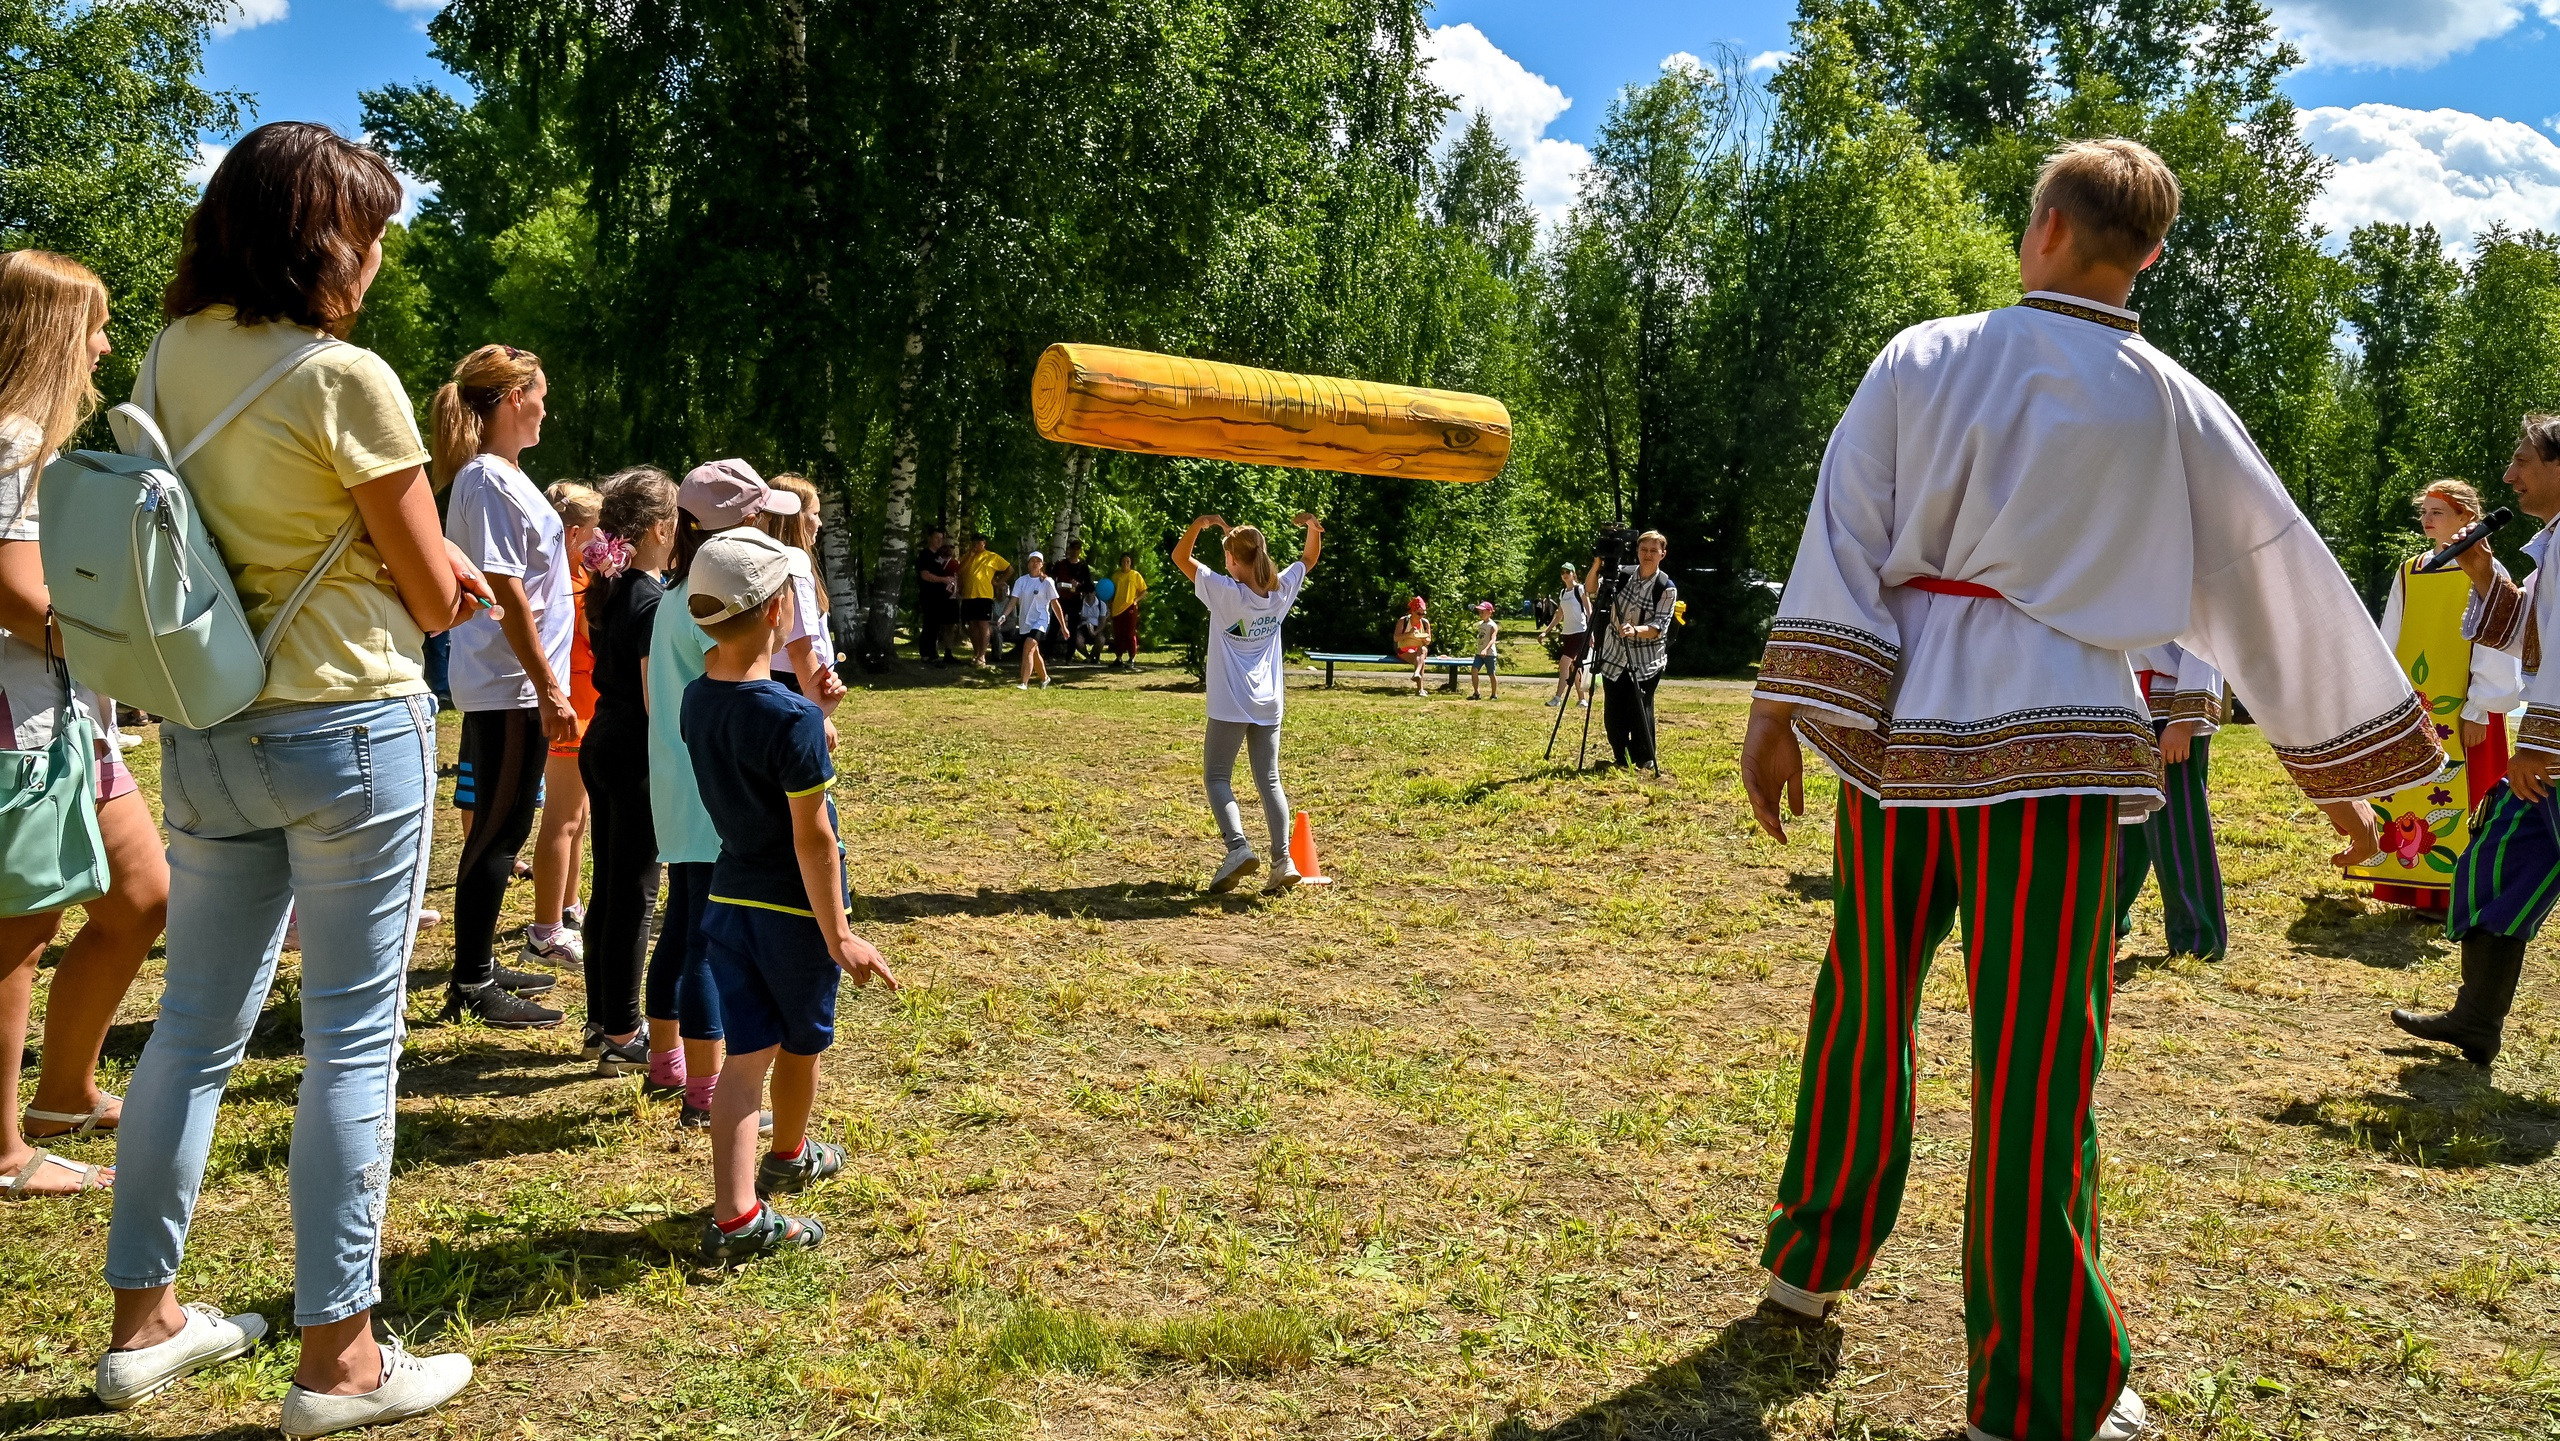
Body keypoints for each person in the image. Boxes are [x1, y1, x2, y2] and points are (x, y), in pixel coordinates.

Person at [1737, 139, 2438, 1441]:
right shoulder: (2168, 398)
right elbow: (2274, 573)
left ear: (2045, 230)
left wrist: (1781, 713)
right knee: (2038, 1064)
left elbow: (1839, 531)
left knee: (1864, 998)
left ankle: (1806, 1265)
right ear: (2150, 257)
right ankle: (2040, 1394)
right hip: (2062, 747)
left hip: (1904, 739)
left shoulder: (1925, 355)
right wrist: (2356, 761)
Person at [98, 121, 484, 1432]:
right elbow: (433, 597)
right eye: (367, 235)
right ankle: (341, 1360)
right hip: (348, 732)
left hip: (210, 724)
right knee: (352, 1043)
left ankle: (145, 1321)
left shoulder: (167, 353)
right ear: (319, 238)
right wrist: (420, 573)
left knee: (194, 1032)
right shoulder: (346, 379)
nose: (374, 261)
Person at [0, 250, 170, 1197]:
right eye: (96, 325)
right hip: (18, 724)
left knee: (142, 895)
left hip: (65, 720)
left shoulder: (35, 441)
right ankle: (5, 1156)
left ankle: (61, 1091)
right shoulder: (13, 439)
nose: (106, 343)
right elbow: (16, 594)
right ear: (53, 332)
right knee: (13, 937)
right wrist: (128, 632)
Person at [681, 528, 898, 1262]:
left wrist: (810, 729)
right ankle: (792, 1151)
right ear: (778, 611)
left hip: (729, 900)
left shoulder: (696, 700)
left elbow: (750, 732)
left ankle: (736, 1212)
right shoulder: (792, 718)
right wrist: (840, 934)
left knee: (744, 1060)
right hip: (794, 915)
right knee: (800, 1046)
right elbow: (815, 840)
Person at [2403, 416, 2560, 1067]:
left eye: (2521, 459)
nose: (2508, 475)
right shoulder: (2554, 543)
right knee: (2498, 859)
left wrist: (2541, 744)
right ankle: (2475, 1018)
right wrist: (2478, 567)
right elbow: (2530, 633)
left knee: (2502, 857)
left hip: (2551, 757)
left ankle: (2476, 1017)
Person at [648, 460, 802, 1125]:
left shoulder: (676, 592)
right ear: (741, 524)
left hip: (679, 789)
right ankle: (707, 1093)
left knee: (682, 928)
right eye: (762, 515)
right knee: (706, 942)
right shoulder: (707, 605)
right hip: (715, 793)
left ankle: (668, 1063)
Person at [436, 344, 576, 1027]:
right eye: (540, 393)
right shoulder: (486, 480)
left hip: (516, 684)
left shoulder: (505, 476)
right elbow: (508, 593)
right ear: (513, 398)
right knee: (496, 832)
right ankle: (469, 984)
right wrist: (549, 687)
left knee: (505, 828)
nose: (547, 406)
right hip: (509, 687)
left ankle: (479, 967)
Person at [2354, 478, 2521, 917]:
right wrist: (2383, 695)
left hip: (2464, 707)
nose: (2427, 520)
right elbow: (2391, 636)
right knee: (2410, 792)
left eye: (2437, 512)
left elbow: (2494, 642)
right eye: (2424, 512)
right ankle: (2411, 887)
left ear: (2467, 517)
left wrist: (2479, 707)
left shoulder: (2486, 571)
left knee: (2467, 794)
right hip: (2415, 705)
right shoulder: (2410, 570)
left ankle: (2457, 893)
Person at [576, 468, 677, 1076]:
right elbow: (653, 697)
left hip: (603, 740)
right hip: (634, 748)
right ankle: (621, 1029)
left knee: (611, 888)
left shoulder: (613, 589)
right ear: (662, 529)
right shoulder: (650, 599)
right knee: (635, 895)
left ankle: (601, 1020)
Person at [1172, 513, 1321, 894]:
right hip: (1269, 703)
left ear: (1235, 561)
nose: (1224, 563)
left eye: (1226, 558)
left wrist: (1198, 525)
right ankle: (1283, 860)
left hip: (1230, 703)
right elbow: (1307, 561)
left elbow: (1180, 558)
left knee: (1217, 777)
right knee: (1269, 780)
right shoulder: (1280, 591)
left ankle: (1237, 848)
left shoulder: (1225, 592)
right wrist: (1312, 529)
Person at [525, 480, 600, 973]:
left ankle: (567, 908)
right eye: (596, 533)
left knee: (579, 818)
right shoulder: (564, 584)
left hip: (587, 706)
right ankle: (545, 929)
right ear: (573, 534)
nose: (602, 542)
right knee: (563, 819)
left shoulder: (577, 577)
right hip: (572, 709)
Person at [2116, 643, 2228, 960]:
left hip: (2169, 705)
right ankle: (2109, 912)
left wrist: (2185, 718)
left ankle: (2198, 935)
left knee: (2177, 824)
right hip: (2123, 698)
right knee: (2123, 818)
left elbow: (2205, 637)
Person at [756, 473, 849, 716]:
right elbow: (800, 647)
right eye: (815, 514)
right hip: (797, 686)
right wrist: (817, 711)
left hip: (770, 682)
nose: (819, 523)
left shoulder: (761, 565)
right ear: (795, 519)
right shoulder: (796, 570)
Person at [1594, 532, 1677, 769]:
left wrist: (1636, 630)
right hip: (1614, 654)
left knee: (1639, 708)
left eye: (1653, 550)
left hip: (1646, 658)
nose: (1648, 555)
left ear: (1663, 554)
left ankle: (1644, 758)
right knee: (1613, 711)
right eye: (1643, 550)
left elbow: (1660, 626)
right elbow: (1591, 590)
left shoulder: (1666, 587)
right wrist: (1597, 565)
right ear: (1637, 551)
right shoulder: (1623, 575)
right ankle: (1620, 757)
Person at [1006, 551, 1067, 690]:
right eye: (1032, 561)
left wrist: (1063, 626)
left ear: (1042, 564)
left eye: (1038, 561)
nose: (1035, 563)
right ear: (1028, 564)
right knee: (1034, 651)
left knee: (1029, 645)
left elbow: (1055, 604)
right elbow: (1013, 601)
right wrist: (1004, 615)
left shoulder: (1047, 582)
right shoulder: (1021, 581)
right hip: (1025, 621)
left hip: (1041, 620)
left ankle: (1024, 683)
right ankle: (1045, 678)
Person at [1541, 563, 1593, 709]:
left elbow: (1589, 610)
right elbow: (1559, 615)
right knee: (1573, 667)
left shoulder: (1580, 589)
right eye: (1562, 572)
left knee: (1564, 663)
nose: (1565, 574)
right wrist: (1546, 631)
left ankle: (1557, 698)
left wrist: (1591, 633)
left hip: (1580, 633)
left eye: (1567, 571)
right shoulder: (1563, 593)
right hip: (1567, 633)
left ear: (1573, 573)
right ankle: (1582, 699)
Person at [957, 535, 1009, 668]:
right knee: (972, 625)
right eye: (974, 542)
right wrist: (969, 555)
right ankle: (976, 653)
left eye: (979, 542)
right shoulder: (967, 557)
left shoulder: (992, 556)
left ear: (984, 543)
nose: (976, 545)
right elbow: (960, 572)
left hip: (984, 596)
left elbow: (1010, 569)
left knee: (983, 625)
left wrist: (999, 582)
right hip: (969, 596)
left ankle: (982, 655)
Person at [914, 527, 959, 665]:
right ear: (930, 538)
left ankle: (934, 654)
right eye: (936, 538)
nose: (939, 541)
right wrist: (943, 579)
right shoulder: (925, 555)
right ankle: (926, 654)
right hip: (928, 596)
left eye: (941, 539)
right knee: (929, 624)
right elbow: (925, 575)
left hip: (941, 597)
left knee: (936, 626)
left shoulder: (939, 556)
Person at [1107, 551, 1148, 666]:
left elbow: (1144, 591)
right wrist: (1110, 604)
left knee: (1130, 634)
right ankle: (1118, 658)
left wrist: (1135, 601)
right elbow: (1110, 592)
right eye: (1123, 561)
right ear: (1120, 562)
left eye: (1128, 561)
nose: (1125, 563)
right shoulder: (1115, 576)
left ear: (1131, 563)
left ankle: (1131, 658)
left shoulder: (1135, 575)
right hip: (1117, 609)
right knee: (1118, 634)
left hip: (1130, 607)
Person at [1393, 597, 1432, 697]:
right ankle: (1420, 689)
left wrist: (1425, 640)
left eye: (1423, 613)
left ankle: (1416, 673)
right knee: (1421, 660)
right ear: (1413, 611)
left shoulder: (1425, 622)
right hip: (1404, 649)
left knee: (1423, 649)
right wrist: (1409, 634)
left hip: (1418, 650)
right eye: (1419, 613)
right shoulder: (1404, 621)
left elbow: (1428, 640)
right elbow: (1396, 638)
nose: (1421, 616)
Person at [1470, 601, 1501, 700]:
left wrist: (1486, 649)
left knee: (1491, 674)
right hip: (1479, 653)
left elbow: (1493, 639)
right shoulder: (1480, 624)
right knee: (1474, 670)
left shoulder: (1492, 625)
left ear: (1489, 612)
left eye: (1482, 612)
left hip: (1489, 654)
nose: (1480, 614)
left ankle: (1494, 694)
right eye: (1479, 612)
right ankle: (1476, 692)